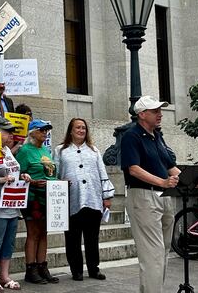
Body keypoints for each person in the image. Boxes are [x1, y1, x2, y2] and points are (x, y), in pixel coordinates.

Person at [121, 96, 185, 293]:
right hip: (143, 197)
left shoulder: (157, 136)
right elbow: (133, 169)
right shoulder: (131, 136)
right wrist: (163, 182)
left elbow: (169, 166)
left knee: (162, 252)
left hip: (164, 197)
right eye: (155, 111)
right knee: (153, 254)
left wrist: (191, 180)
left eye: (160, 110)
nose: (160, 114)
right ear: (142, 114)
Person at [54, 118, 114, 281]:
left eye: (84, 128)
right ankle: (76, 270)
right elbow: (55, 173)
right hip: (72, 199)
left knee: (92, 238)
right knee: (72, 238)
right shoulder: (60, 150)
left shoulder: (94, 150)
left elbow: (102, 173)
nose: (81, 130)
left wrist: (107, 196)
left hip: (93, 198)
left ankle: (94, 269)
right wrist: (60, 184)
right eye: (78, 128)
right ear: (71, 130)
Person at [0, 118, 31, 291]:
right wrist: (1, 179)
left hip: (12, 203)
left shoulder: (7, 150)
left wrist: (23, 176)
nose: (11, 135)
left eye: (11, 131)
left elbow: (13, 171)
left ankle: (4, 275)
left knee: (8, 242)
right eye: (7, 131)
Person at [16, 119, 58, 284]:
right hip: (33, 196)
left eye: (46, 130)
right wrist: (32, 181)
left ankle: (42, 266)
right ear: (32, 132)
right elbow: (18, 173)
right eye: (41, 130)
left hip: (49, 195)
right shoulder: (25, 151)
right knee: (33, 232)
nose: (44, 133)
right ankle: (30, 267)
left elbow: (51, 172)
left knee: (44, 233)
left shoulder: (46, 151)